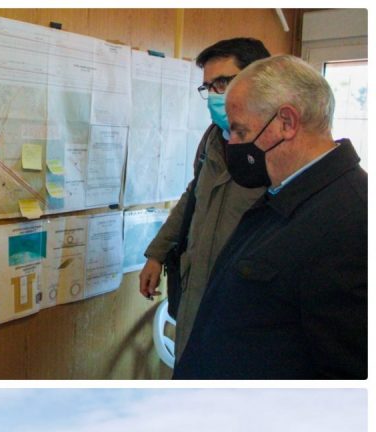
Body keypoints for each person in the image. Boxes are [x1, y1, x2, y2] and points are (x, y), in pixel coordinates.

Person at [174, 55, 367, 378]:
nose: (231, 143)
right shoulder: (282, 194)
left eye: (239, 131)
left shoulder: (352, 220)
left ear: (286, 123)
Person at [138, 38, 270, 365]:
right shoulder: (213, 139)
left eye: (223, 82)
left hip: (244, 315)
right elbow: (192, 198)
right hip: (194, 298)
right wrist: (157, 254)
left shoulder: (278, 151)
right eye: (208, 86)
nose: (214, 95)